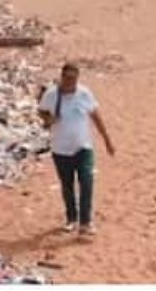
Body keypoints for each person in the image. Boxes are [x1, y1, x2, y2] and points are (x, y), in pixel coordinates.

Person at [37, 62, 115, 235]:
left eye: (73, 79)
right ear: (62, 77)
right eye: (67, 79)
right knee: (67, 185)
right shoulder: (52, 95)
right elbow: (41, 111)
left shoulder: (84, 94)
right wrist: (49, 119)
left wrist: (107, 140)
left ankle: (85, 223)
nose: (70, 83)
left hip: (83, 146)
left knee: (87, 182)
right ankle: (71, 218)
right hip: (60, 149)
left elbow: (96, 116)